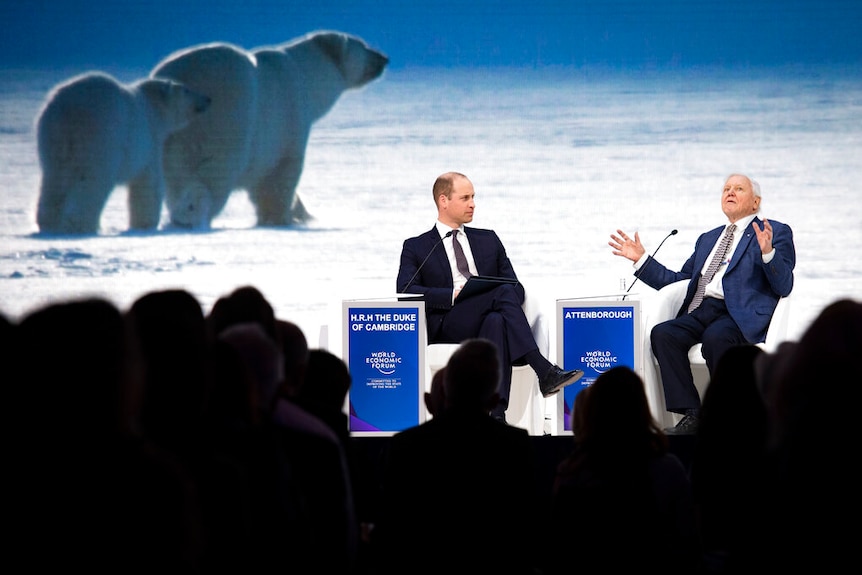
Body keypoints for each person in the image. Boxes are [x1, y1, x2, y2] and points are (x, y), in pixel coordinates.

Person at [609, 173, 795, 434]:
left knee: (716, 338)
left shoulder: (774, 231)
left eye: (739, 189)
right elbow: (679, 281)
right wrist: (641, 260)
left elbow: (784, 285)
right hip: (702, 308)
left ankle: (726, 417)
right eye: (726, 188)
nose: (730, 192)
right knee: (663, 334)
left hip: (738, 314)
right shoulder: (709, 238)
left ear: (756, 202)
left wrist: (768, 252)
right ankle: (693, 414)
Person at [397, 171, 583, 421]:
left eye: (473, 197)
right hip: (449, 321)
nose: (473, 203)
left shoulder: (488, 239)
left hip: (490, 316)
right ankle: (543, 368)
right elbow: (406, 291)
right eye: (465, 198)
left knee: (497, 318)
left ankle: (497, 414)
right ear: (443, 201)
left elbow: (516, 288)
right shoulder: (417, 246)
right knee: (501, 295)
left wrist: (489, 294)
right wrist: (453, 294)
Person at [373, 338, 541, 574]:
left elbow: (389, 531)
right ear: (494, 399)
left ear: (438, 394)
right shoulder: (514, 444)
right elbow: (527, 527)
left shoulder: (404, 446)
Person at [545, 366, 701, 575]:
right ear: (641, 408)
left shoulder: (573, 472)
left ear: (595, 411)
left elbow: (558, 550)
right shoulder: (667, 469)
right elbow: (688, 543)